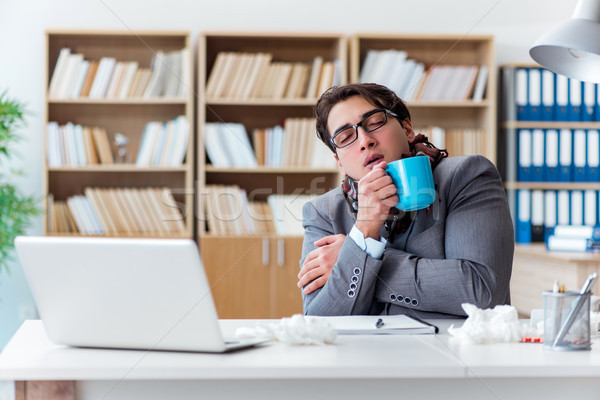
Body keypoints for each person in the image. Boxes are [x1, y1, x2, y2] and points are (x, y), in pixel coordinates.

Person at [297, 83, 514, 318]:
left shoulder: (466, 176)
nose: (364, 140)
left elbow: (479, 291)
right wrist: (364, 230)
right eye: (346, 136)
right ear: (339, 162)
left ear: (407, 129)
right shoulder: (321, 212)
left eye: (375, 122)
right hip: (360, 354)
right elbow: (318, 318)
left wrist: (355, 259)